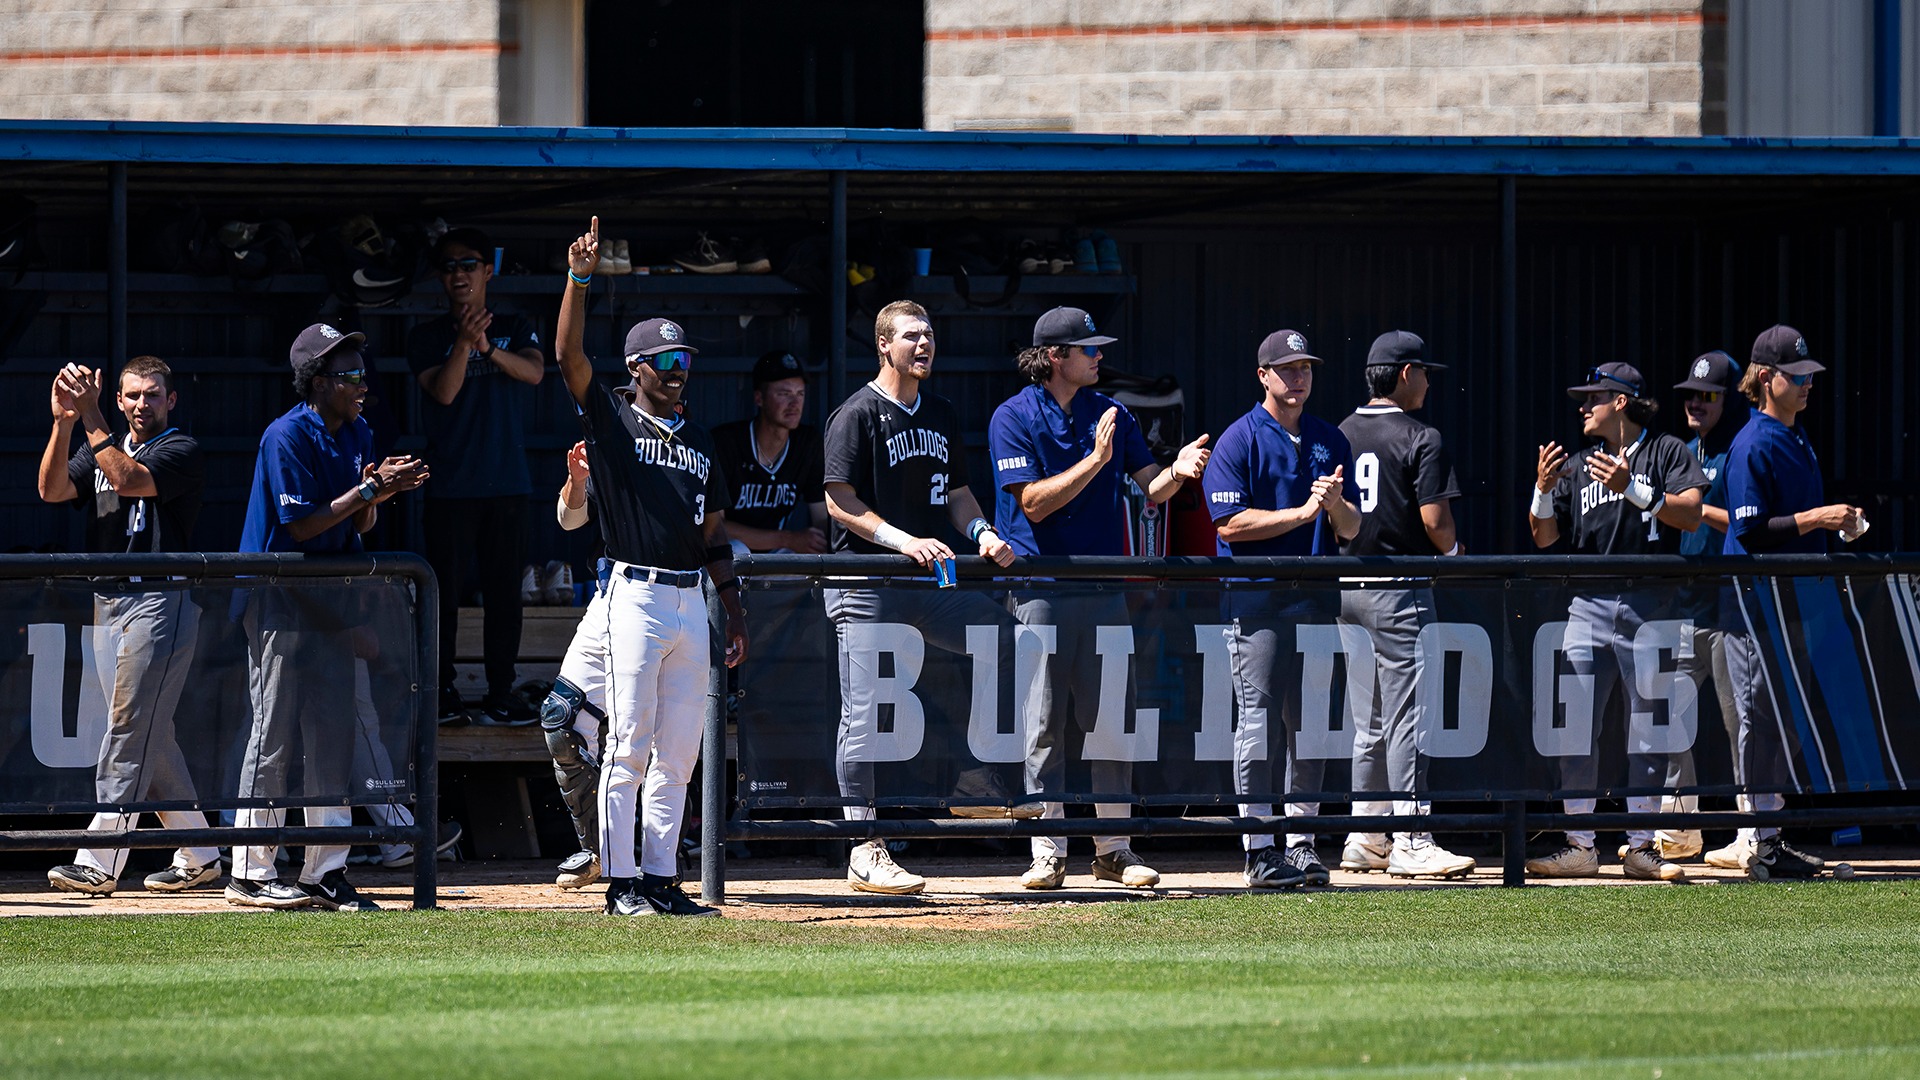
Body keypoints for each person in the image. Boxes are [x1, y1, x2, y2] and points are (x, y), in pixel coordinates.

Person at [557, 217, 747, 917]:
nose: (677, 373)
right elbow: (568, 355)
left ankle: (663, 878)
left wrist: (731, 608)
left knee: (681, 750)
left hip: (690, 597)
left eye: (684, 363)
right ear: (636, 370)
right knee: (628, 740)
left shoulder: (699, 436)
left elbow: (714, 532)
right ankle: (622, 883)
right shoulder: (611, 418)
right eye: (665, 364)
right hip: (632, 591)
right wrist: (579, 278)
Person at [986, 306, 1211, 890]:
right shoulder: (1012, 416)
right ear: (1056, 357)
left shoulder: (1112, 412)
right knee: (1043, 722)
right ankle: (1048, 852)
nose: (1099, 356)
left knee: (1112, 718)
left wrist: (1180, 471)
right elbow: (1033, 503)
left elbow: (1150, 488)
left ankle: (1114, 849)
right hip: (1040, 588)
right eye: (1087, 349)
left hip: (1104, 588)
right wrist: (1095, 461)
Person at [229, 323, 429, 911]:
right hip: (278, 597)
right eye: (349, 375)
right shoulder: (285, 435)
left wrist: (377, 494)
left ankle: (325, 869)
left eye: (363, 372)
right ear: (318, 382)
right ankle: (249, 867)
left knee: (332, 737)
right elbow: (301, 526)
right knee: (274, 736)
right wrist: (370, 490)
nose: (362, 383)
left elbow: (358, 525)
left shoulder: (359, 429)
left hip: (332, 600)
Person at [822, 299, 1019, 896]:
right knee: (866, 716)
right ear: (884, 345)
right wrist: (903, 541)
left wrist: (983, 534)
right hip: (865, 583)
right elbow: (838, 500)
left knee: (1007, 640)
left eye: (930, 333)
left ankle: (976, 780)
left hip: (927, 585)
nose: (924, 343)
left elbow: (958, 493)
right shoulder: (855, 414)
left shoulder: (941, 411)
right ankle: (864, 846)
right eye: (912, 335)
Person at [35, 355, 221, 896]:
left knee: (127, 728)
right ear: (120, 399)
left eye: (153, 395)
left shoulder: (180, 448)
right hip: (107, 601)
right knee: (148, 734)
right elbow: (51, 491)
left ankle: (100, 858)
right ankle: (203, 853)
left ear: (171, 401)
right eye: (133, 395)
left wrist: (91, 418)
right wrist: (64, 420)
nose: (143, 404)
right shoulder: (99, 444)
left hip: (160, 599)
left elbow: (132, 479)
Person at [1525, 361, 1706, 881]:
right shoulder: (1579, 463)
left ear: (1621, 402)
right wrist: (1541, 489)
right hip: (1587, 602)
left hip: (1650, 604)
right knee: (1577, 725)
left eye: (1594, 398)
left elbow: (1690, 514)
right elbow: (1544, 538)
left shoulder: (1666, 450)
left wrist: (1636, 488)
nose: (1583, 408)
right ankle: (1581, 844)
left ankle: (1641, 845)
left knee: (1648, 728)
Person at [1203, 329, 1360, 889]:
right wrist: (1300, 514)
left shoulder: (1329, 438)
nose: (1299, 378)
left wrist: (1335, 505)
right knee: (1258, 722)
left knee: (1310, 726)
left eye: (1306, 369)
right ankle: (1259, 849)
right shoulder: (1238, 439)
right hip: (1257, 602)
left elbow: (1350, 528)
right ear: (1263, 375)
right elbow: (1230, 525)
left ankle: (1301, 844)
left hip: (1315, 598)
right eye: (1288, 368)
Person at [1334, 331, 1477, 879]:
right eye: (1424, 372)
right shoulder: (1422, 434)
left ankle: (1366, 836)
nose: (1428, 382)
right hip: (1400, 589)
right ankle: (1413, 837)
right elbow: (1436, 524)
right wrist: (1459, 553)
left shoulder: (1340, 432)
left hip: (1348, 586)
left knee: (1368, 723)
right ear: (1404, 373)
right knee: (1406, 719)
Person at [1723, 324, 1861, 880]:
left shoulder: (1795, 435)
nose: (1807, 384)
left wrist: (1834, 525)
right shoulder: (1754, 440)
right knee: (1759, 716)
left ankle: (1769, 839)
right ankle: (1756, 838)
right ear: (1764, 378)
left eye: (1809, 375)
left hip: (1793, 605)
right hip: (1757, 608)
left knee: (1782, 722)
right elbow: (1751, 529)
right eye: (1796, 375)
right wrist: (1820, 518)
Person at [407, 226, 546, 725]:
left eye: (469, 264)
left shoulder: (515, 323)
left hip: (508, 485)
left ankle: (500, 694)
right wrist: (465, 344)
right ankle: (442, 692)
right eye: (449, 267)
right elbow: (442, 393)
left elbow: (533, 372)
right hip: (450, 487)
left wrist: (487, 347)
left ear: (489, 271)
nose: (459, 274)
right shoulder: (426, 336)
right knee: (442, 592)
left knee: (504, 595)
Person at [1654, 350, 1753, 868]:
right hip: (1686, 603)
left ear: (1728, 398)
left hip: (1730, 603)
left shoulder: (1740, 448)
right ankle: (1680, 830)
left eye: (1707, 394)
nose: (1696, 403)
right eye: (1690, 395)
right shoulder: (1686, 450)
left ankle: (1754, 830)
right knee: (1670, 718)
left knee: (1741, 724)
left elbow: (1744, 520)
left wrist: (1686, 508)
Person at [543, 438, 612, 890]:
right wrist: (578, 479)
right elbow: (569, 518)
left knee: (646, 738)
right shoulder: (611, 452)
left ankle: (659, 859)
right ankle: (598, 851)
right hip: (611, 592)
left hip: (668, 596)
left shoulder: (685, 450)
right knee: (561, 717)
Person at [711, 351, 828, 553]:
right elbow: (714, 527)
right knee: (736, 550)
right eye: (784, 394)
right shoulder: (726, 442)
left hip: (777, 555)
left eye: (800, 394)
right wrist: (788, 539)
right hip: (728, 555)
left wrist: (815, 543)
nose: (795, 403)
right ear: (759, 398)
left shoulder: (807, 443)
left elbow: (823, 519)